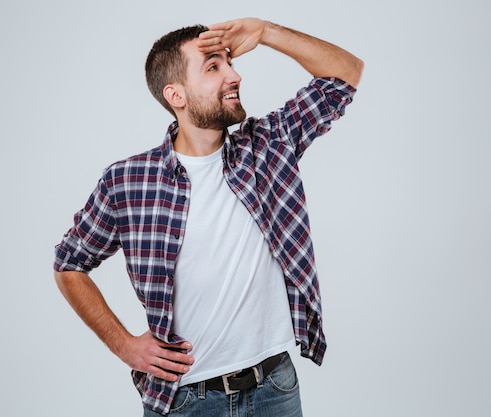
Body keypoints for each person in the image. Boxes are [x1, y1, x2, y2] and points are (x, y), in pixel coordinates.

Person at [53, 17, 363, 417]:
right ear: (176, 95)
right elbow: (69, 263)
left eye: (229, 63)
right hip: (185, 401)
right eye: (214, 67)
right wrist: (123, 345)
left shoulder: (268, 147)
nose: (234, 76)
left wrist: (268, 33)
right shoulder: (127, 181)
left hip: (275, 387)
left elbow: (345, 75)